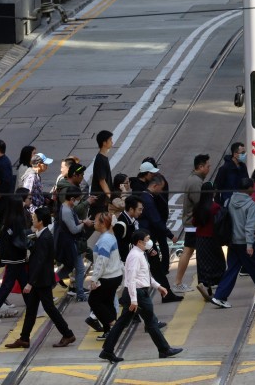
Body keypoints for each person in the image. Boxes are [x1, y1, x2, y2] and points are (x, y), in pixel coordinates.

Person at [99, 230, 183, 363]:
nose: (149, 241)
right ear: (139, 242)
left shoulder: (139, 254)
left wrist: (158, 286)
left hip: (137, 292)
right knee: (151, 322)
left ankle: (107, 351)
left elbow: (145, 275)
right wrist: (134, 300)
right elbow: (131, 279)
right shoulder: (135, 256)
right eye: (147, 239)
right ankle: (164, 349)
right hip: (138, 294)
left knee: (122, 323)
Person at [4, 208, 76, 350]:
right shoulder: (41, 234)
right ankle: (24, 338)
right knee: (31, 309)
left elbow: (40, 262)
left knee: (49, 308)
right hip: (40, 280)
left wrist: (30, 282)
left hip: (41, 280)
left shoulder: (44, 237)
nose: (32, 219)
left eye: (35, 218)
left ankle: (67, 334)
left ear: (41, 221)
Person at [210, 178, 255, 308]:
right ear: (248, 189)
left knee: (232, 269)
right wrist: (249, 245)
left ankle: (219, 296)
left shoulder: (229, 200)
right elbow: (249, 226)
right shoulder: (250, 204)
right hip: (245, 242)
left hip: (233, 242)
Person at [172, 154, 209, 294]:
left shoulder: (195, 179)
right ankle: (177, 282)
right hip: (193, 223)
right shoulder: (195, 182)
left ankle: (179, 282)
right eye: (207, 166)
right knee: (188, 251)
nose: (209, 168)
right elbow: (200, 202)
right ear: (200, 167)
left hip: (192, 222)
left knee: (189, 251)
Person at [85, 212, 123, 338]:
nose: (94, 223)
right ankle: (109, 331)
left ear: (103, 224)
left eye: (96, 221)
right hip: (114, 275)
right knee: (107, 302)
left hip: (108, 277)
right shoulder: (108, 236)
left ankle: (112, 324)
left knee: (94, 301)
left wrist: (94, 279)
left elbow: (101, 261)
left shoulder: (105, 239)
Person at [90, 130, 114, 215]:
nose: (112, 142)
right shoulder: (100, 159)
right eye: (110, 140)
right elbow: (102, 181)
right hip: (99, 200)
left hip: (102, 200)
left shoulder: (103, 157)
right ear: (104, 142)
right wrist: (110, 197)